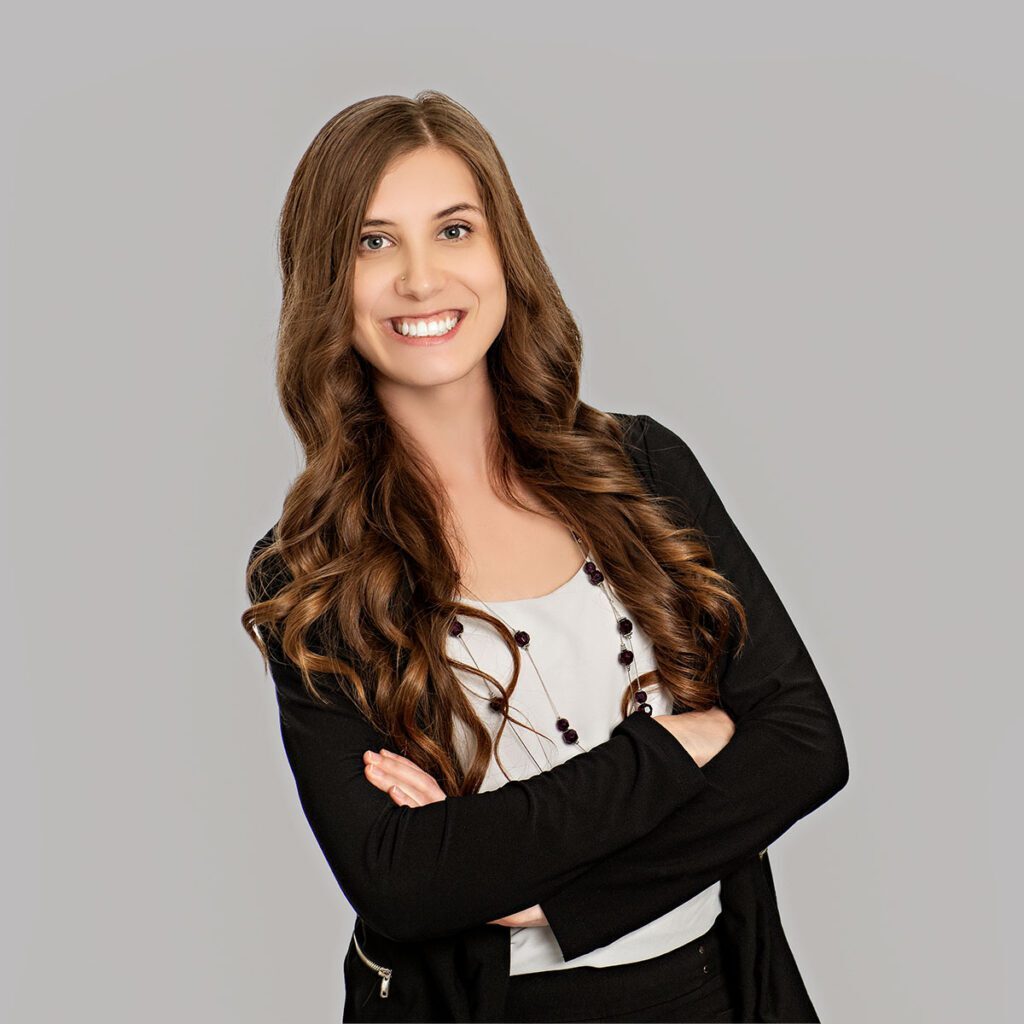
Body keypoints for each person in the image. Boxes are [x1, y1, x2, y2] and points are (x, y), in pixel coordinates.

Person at [242, 90, 849, 1023]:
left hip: (717, 993)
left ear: (503, 253)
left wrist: (549, 895)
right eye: (373, 242)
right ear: (329, 281)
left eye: (453, 230)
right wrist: (675, 749)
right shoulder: (311, 573)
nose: (418, 278)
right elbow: (402, 883)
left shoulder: (640, 466)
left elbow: (804, 746)